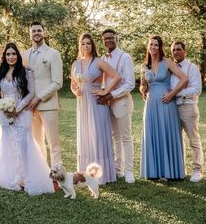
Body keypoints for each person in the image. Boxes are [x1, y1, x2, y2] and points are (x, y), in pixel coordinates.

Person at [0, 42, 54, 195]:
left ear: (18, 56)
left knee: (23, 144)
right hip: (5, 114)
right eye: (8, 54)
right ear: (5, 56)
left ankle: (25, 177)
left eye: (14, 54)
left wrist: (17, 109)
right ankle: (12, 177)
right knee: (8, 143)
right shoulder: (1, 73)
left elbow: (31, 93)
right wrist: (2, 108)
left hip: (22, 112)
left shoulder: (26, 71)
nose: (11, 57)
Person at [71, 33, 121, 184]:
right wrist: (75, 91)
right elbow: (73, 84)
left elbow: (117, 76)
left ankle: (102, 175)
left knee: (98, 136)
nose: (86, 46)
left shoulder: (99, 62)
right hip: (82, 104)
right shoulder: (75, 64)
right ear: (80, 46)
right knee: (86, 135)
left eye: (88, 43)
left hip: (95, 102)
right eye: (83, 43)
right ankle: (85, 174)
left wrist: (105, 91)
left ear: (93, 45)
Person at [139, 35, 188, 180]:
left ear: (160, 47)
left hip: (166, 104)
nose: (153, 47)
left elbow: (184, 78)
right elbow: (143, 86)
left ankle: (170, 171)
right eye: (151, 45)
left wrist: (172, 93)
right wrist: (143, 86)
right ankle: (155, 172)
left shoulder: (166, 62)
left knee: (166, 133)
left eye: (156, 45)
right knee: (153, 133)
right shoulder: (145, 66)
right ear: (148, 47)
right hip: (151, 105)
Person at [22, 21, 63, 167]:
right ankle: (42, 172)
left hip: (48, 104)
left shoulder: (53, 54)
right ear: (30, 34)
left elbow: (57, 82)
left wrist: (38, 97)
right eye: (33, 31)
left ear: (44, 33)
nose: (36, 33)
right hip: (30, 107)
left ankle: (57, 174)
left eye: (39, 30)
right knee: (36, 142)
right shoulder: (24, 55)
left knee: (53, 143)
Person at [97, 29, 136, 184]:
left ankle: (129, 171)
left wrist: (111, 95)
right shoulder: (101, 58)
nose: (108, 41)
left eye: (111, 38)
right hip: (107, 102)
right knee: (115, 137)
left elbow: (130, 83)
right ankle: (117, 169)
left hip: (121, 101)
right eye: (105, 39)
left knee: (126, 136)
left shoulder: (125, 57)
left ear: (116, 38)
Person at [170, 41, 204, 182]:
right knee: (176, 140)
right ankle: (179, 169)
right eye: (173, 50)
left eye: (178, 49)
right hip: (171, 108)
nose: (176, 52)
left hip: (187, 106)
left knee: (193, 140)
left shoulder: (192, 67)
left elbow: (197, 89)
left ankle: (198, 170)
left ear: (185, 51)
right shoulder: (170, 67)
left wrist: (176, 93)